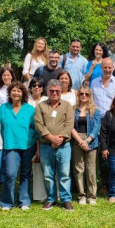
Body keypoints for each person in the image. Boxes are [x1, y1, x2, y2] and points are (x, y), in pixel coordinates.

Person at [34, 79, 75, 211]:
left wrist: (60, 140)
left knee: (64, 174)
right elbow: (39, 124)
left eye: (57, 91)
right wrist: (52, 138)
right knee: (48, 174)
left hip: (64, 146)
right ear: (47, 91)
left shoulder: (67, 106)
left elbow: (69, 124)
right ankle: (51, 199)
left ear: (61, 91)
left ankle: (66, 200)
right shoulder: (40, 106)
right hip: (46, 145)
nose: (54, 93)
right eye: (52, 91)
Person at [0, 81, 36, 211]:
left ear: (23, 93)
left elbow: (35, 128)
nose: (16, 93)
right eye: (13, 90)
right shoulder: (3, 109)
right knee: (10, 174)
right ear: (9, 93)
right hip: (10, 145)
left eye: (19, 91)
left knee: (25, 174)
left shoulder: (30, 109)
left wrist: (36, 146)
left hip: (27, 145)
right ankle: (7, 202)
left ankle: (24, 201)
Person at [70, 87, 101, 205]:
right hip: (77, 140)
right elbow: (70, 127)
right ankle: (81, 195)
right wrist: (80, 141)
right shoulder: (73, 110)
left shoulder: (95, 111)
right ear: (78, 95)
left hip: (91, 141)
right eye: (81, 93)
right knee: (79, 169)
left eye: (86, 94)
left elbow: (96, 127)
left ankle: (92, 196)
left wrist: (87, 141)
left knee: (91, 169)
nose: (84, 95)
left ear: (90, 96)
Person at [27, 77, 47, 203]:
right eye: (34, 85)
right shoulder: (26, 101)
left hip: (44, 136)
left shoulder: (46, 100)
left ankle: (44, 194)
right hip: (29, 137)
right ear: (30, 88)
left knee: (42, 165)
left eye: (39, 85)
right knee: (30, 166)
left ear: (43, 88)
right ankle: (32, 193)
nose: (36, 87)